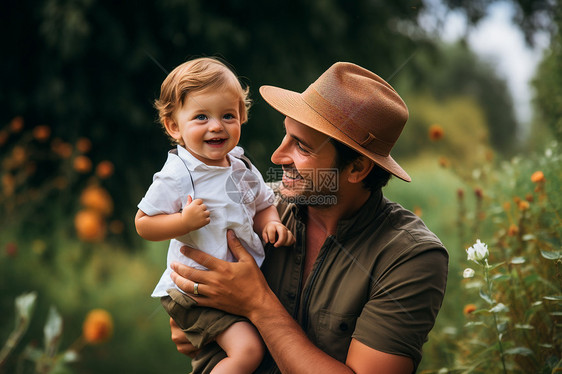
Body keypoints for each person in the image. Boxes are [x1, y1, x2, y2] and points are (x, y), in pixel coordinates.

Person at [169, 62, 449, 373]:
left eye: (302, 147)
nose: (278, 156)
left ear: (357, 168)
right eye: (286, 135)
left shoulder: (410, 257)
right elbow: (185, 320)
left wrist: (257, 304)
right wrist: (193, 315)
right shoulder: (256, 206)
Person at [135, 57, 295, 374]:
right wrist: (182, 222)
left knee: (260, 345)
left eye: (227, 115)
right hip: (197, 290)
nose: (216, 126)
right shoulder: (178, 173)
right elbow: (143, 224)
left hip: (234, 286)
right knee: (248, 351)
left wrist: (273, 223)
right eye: (201, 117)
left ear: (242, 117)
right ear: (173, 126)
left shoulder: (242, 167)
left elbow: (262, 204)